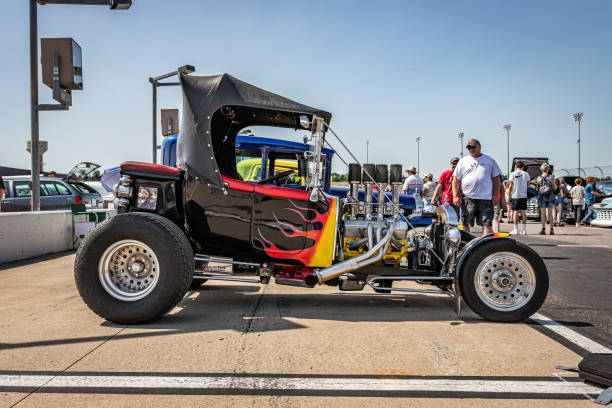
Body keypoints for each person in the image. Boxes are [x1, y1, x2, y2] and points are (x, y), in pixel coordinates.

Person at [452, 139, 502, 234]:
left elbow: (496, 179)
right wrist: (455, 196)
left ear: (479, 146)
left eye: (473, 147)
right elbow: (455, 180)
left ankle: (487, 248)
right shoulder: (463, 161)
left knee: (487, 225)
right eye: (469, 148)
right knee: (465, 225)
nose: (471, 149)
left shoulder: (490, 160)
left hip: (486, 198)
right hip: (468, 198)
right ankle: (465, 247)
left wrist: (496, 195)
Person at [506, 161, 531, 235]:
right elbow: (529, 185)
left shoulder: (512, 174)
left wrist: (509, 195)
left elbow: (510, 186)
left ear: (516, 167)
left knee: (515, 212)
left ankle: (515, 229)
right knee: (523, 212)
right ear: (522, 167)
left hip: (515, 195)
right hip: (523, 195)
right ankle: (524, 230)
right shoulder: (526, 174)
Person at [536, 163, 555, 235]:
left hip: (542, 197)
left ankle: (543, 229)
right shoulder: (551, 177)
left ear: (541, 169)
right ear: (548, 169)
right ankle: (551, 229)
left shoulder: (538, 178)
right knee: (550, 214)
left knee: (543, 214)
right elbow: (554, 188)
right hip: (550, 196)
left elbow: (537, 188)